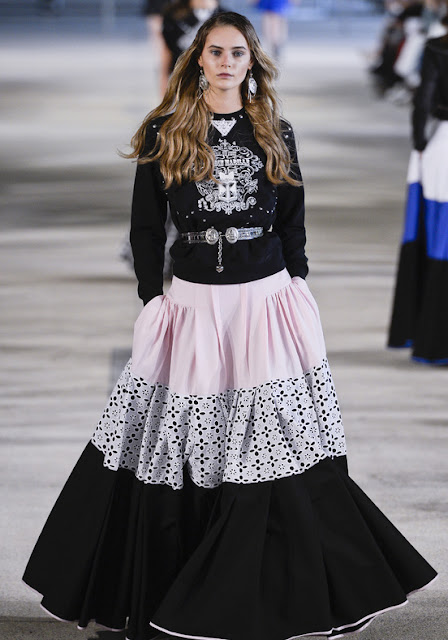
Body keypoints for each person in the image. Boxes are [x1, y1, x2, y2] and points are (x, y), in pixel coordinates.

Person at [23, 11, 437, 640]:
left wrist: (298, 284)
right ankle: (173, 586)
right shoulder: (166, 131)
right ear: (198, 58)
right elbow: (144, 227)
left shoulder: (274, 130)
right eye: (215, 52)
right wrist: (151, 298)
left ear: (251, 62)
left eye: (236, 52)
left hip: (264, 300)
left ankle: (293, 589)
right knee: (183, 443)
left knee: (274, 442)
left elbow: (293, 215)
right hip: (193, 303)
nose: (225, 62)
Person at [388, 6, 448, 364]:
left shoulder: (438, 47)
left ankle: (433, 341)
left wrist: (420, 144)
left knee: (437, 241)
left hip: (443, 147)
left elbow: (423, 100)